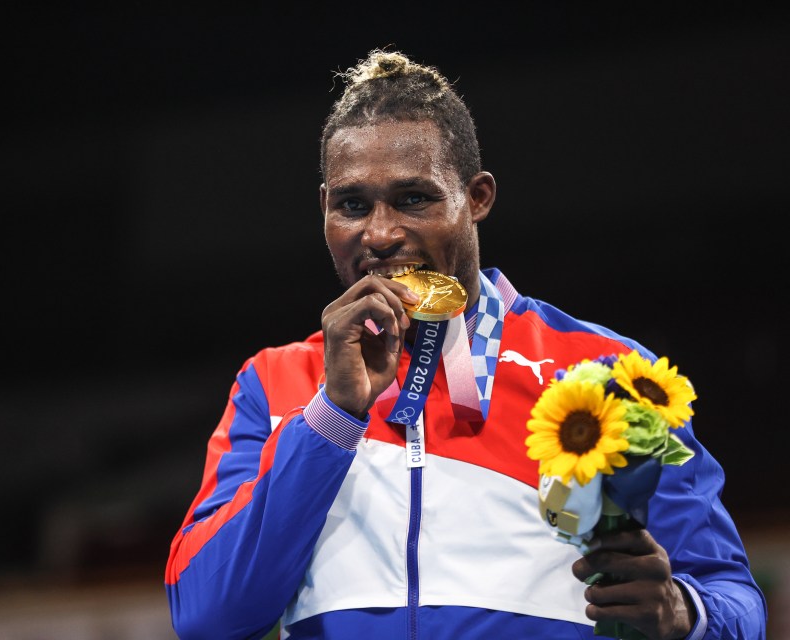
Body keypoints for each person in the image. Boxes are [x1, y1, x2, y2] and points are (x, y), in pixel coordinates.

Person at [164, 49, 767, 639]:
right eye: (352, 205)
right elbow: (206, 615)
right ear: (324, 209)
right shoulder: (274, 384)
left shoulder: (605, 371)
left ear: (477, 198)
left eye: (413, 199)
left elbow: (735, 601)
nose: (378, 233)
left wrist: (682, 613)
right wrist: (333, 415)